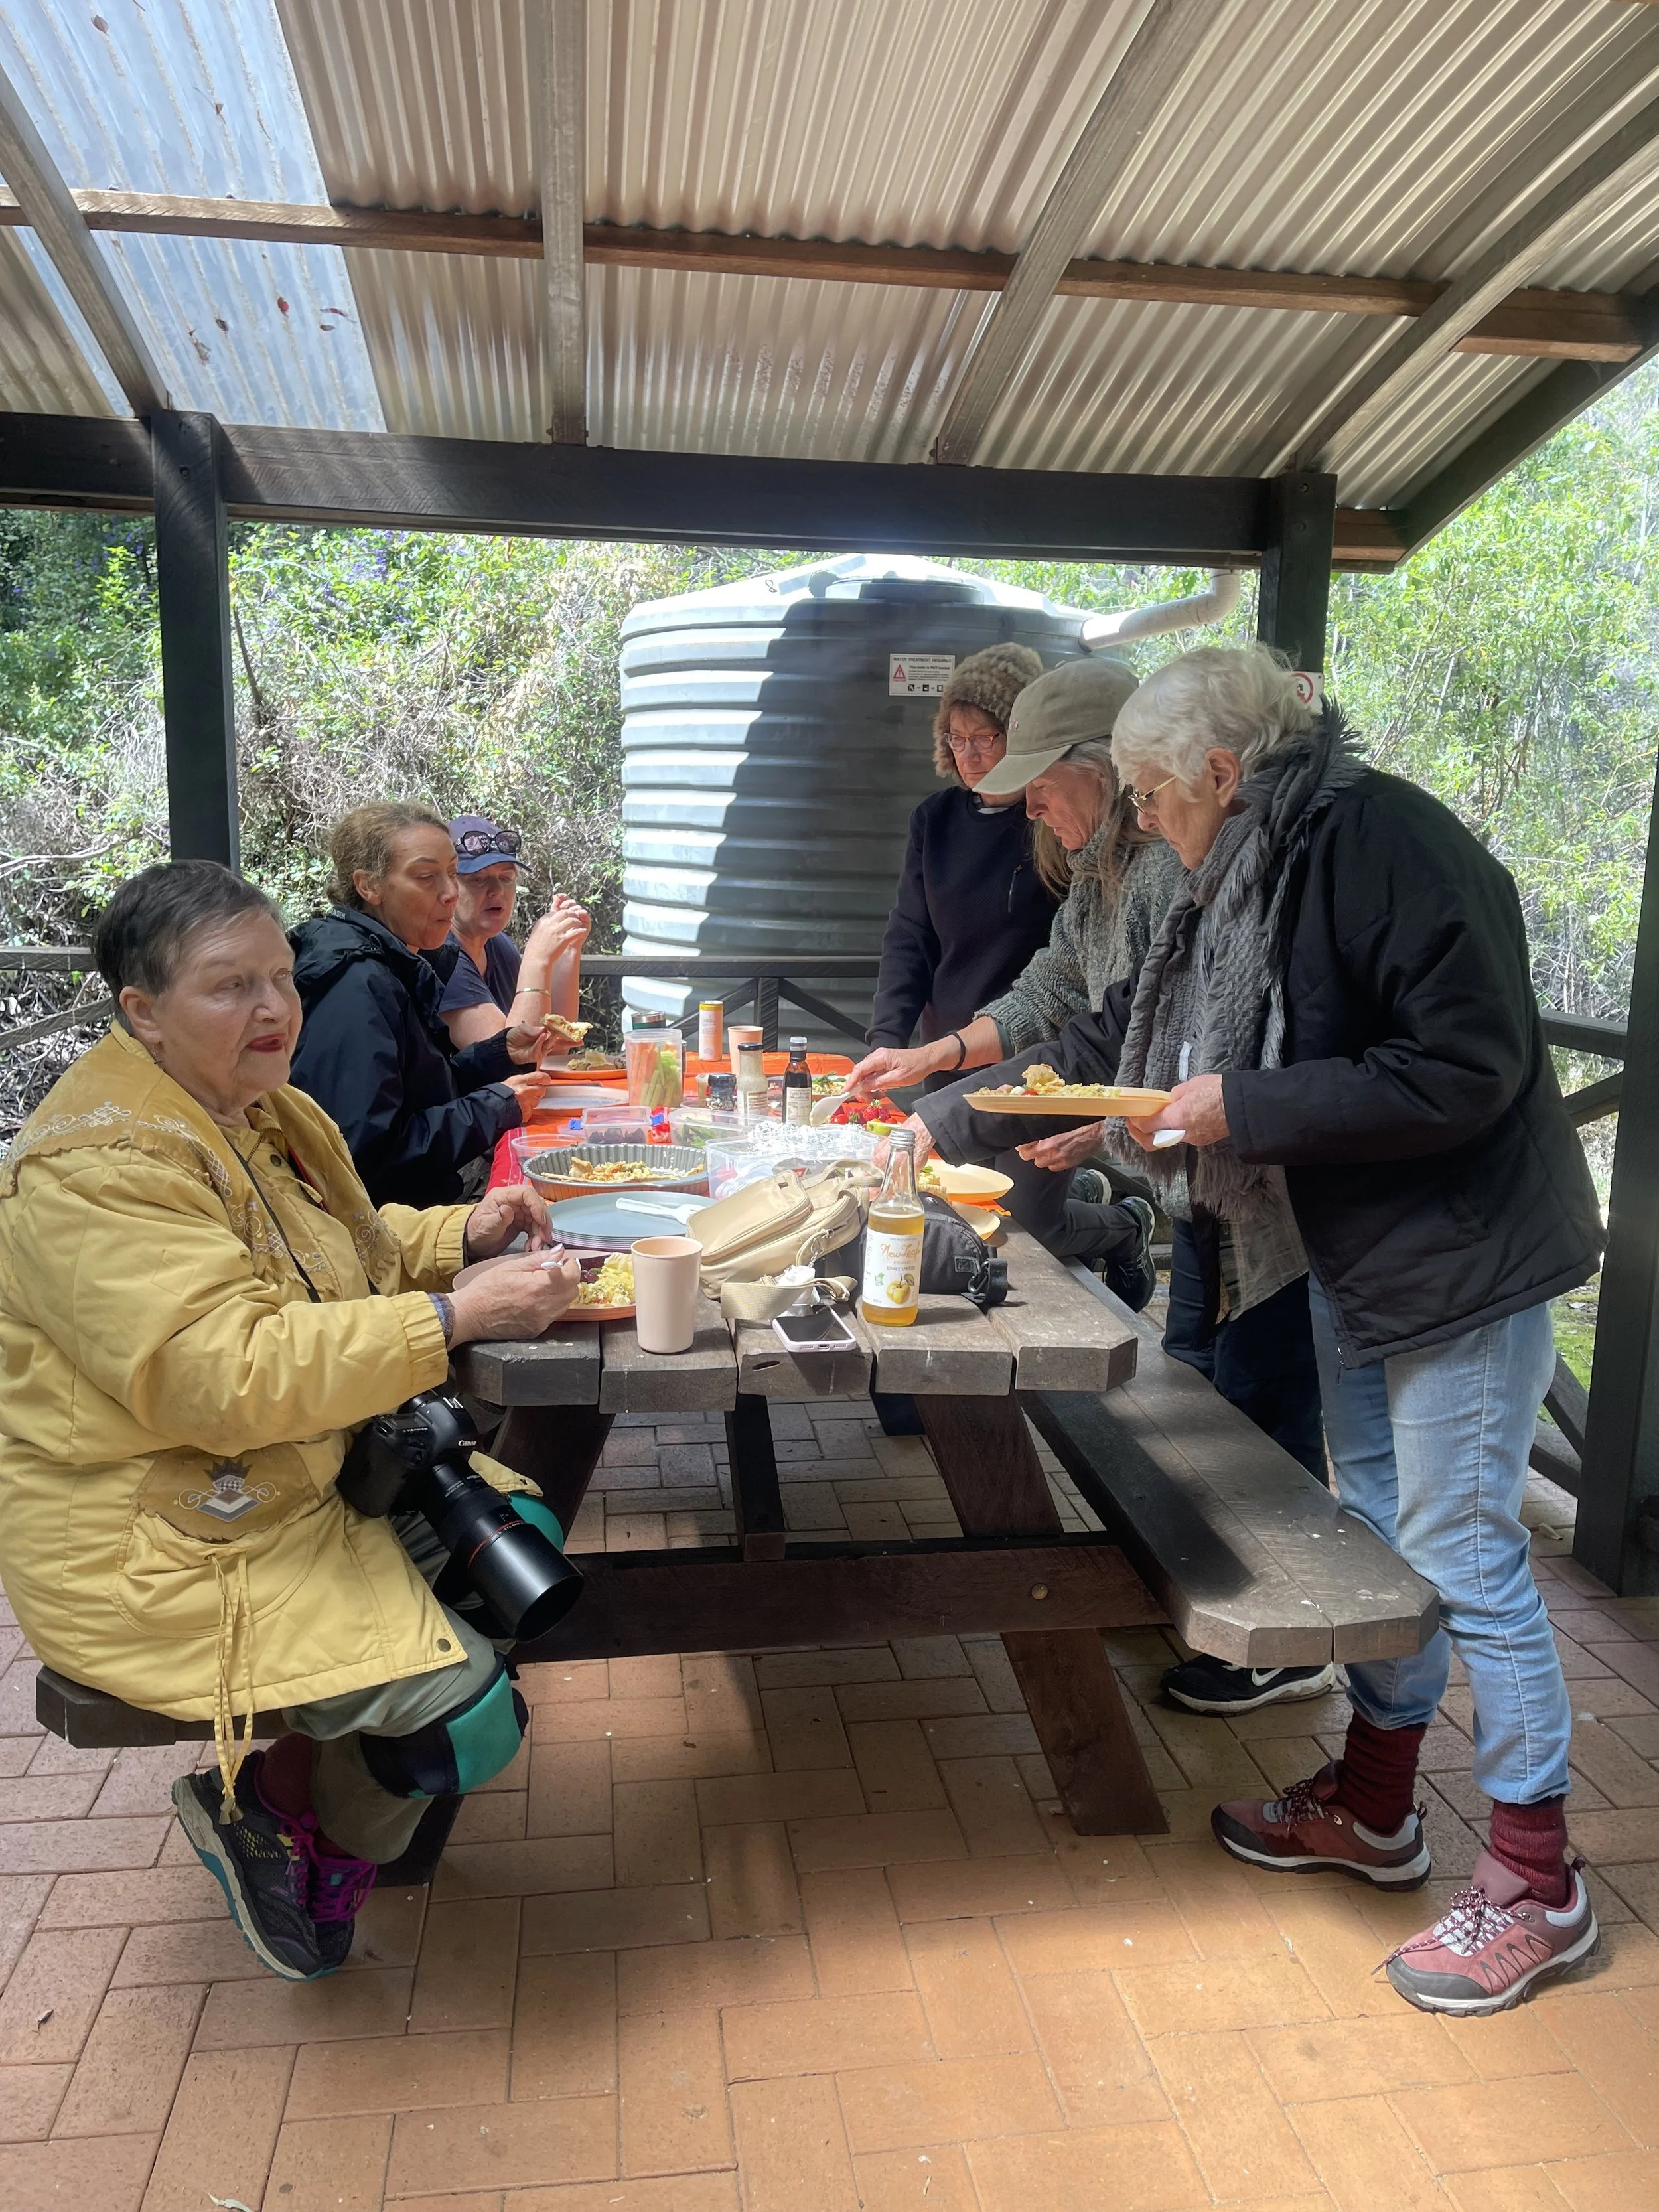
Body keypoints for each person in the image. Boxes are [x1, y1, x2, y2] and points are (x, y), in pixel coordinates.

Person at [1106, 644, 1603, 2014]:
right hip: (1365, 1253)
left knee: (1465, 1552)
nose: (1144, 820)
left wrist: (1237, 1109)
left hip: (1461, 1259)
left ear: (1221, 770)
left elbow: (1463, 1064)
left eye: (1152, 792)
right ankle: (1378, 1807)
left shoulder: (1378, 836)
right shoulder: (1271, 857)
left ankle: (1537, 1882)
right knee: (1381, 1539)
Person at [0, 860, 583, 1982]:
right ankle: (275, 1819)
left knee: (523, 1556)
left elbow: (339, 1257)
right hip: (154, 1544)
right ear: (143, 1011)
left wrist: (467, 1232)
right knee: (469, 1719)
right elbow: (216, 1371)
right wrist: (452, 1316)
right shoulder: (98, 1166)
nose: (272, 1010)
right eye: (229, 986)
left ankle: (294, 1805)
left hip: (281, 1485)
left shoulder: (256, 1108)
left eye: (280, 977)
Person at [847, 656, 1181, 1305]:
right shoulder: (1093, 874)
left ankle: (1117, 1225)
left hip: (1075, 1100)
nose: (1026, 806)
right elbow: (1045, 994)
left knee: (1023, 1231)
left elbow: (1158, 1039)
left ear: (1103, 773)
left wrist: (1098, 1122)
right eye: (957, 740)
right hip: (1010, 1076)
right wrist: (923, 1052)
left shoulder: (1163, 873)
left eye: (1037, 781)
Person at [288, 803, 547, 1208]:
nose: (450, 893)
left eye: (451, 873)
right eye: (427, 877)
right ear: (368, 886)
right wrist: (494, 1107)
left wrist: (498, 1055)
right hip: (397, 1231)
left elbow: (418, 1093)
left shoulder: (397, 962)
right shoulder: (354, 986)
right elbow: (368, 1157)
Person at [865, 645, 1060, 1070]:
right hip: (944, 1053)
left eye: (985, 738)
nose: (968, 755)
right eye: (957, 738)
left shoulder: (1055, 821)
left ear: (1021, 736)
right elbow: (910, 936)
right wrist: (887, 1036)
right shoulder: (934, 819)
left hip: (1030, 1054)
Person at [439, 811, 591, 1049]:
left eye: (506, 878)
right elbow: (516, 1056)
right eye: (478, 880)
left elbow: (559, 1043)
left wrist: (566, 951)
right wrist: (536, 959)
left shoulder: (498, 946)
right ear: (449, 887)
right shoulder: (441, 956)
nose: (497, 891)